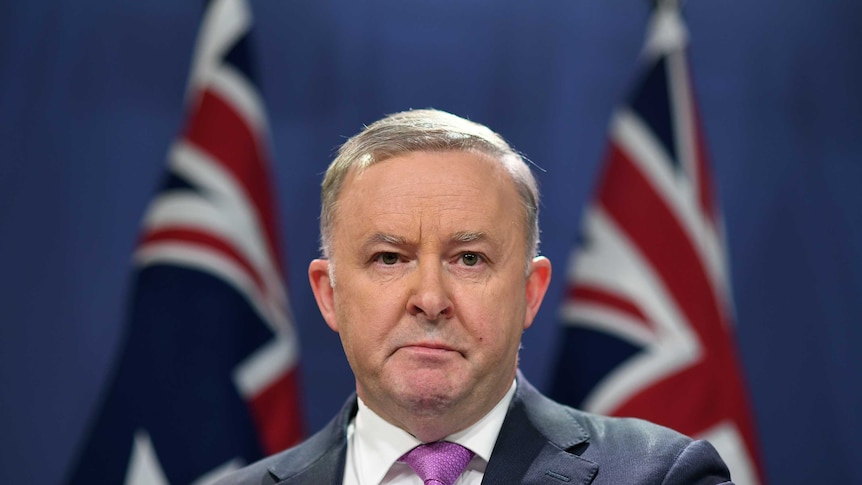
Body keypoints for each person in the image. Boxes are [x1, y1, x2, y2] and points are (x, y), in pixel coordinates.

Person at [217, 109, 733, 484]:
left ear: (530, 294)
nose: (429, 298)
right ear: (329, 295)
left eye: (469, 259)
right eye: (389, 258)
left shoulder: (662, 477)